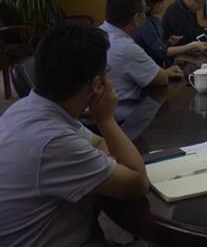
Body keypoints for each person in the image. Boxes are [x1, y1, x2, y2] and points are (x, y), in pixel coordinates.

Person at [0, 23, 149, 246]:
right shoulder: (53, 142)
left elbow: (97, 143)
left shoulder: (27, 107)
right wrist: (105, 119)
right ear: (97, 83)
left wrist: (107, 160)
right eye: (106, 72)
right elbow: (137, 184)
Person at [100, 0, 183, 121]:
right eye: (144, 11)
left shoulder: (97, 34)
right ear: (137, 18)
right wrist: (164, 73)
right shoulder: (126, 47)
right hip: (122, 120)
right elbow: (161, 79)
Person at [134, 0, 207, 67]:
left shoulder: (155, 20)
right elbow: (162, 51)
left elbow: (160, 46)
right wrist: (192, 46)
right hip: (152, 68)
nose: (164, 4)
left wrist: (169, 42)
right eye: (162, 1)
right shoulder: (145, 23)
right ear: (154, 4)